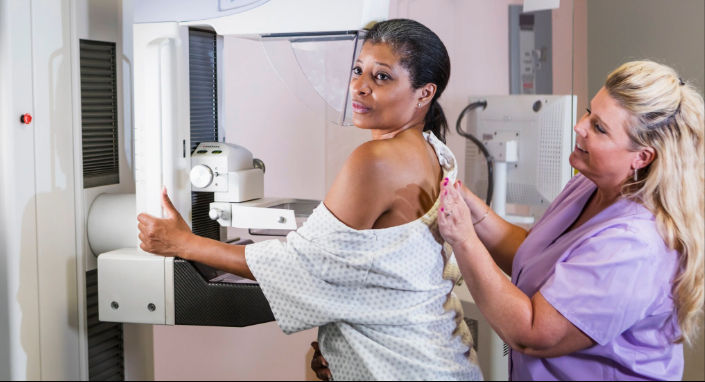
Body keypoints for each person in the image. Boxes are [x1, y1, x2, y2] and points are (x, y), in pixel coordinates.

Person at [138, 18, 483, 381]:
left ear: (424, 93)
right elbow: (381, 271)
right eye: (357, 70)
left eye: (381, 77)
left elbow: (300, 264)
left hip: (405, 368)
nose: (358, 87)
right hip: (440, 356)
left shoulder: (376, 160)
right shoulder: (436, 151)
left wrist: (184, 243)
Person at [435, 60, 704, 380]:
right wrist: (471, 209)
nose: (580, 126)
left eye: (600, 128)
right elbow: (534, 254)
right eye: (590, 111)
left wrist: (464, 239)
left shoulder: (634, 244)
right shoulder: (588, 184)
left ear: (642, 157)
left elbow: (531, 333)